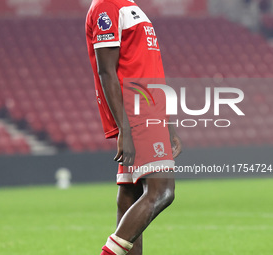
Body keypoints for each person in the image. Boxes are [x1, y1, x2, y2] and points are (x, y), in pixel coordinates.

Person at [85, 0, 182, 255]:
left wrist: (167, 122)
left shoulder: (130, 6)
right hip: (136, 112)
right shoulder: (106, 6)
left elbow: (148, 68)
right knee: (162, 192)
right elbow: (106, 71)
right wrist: (124, 129)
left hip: (150, 110)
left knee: (130, 195)